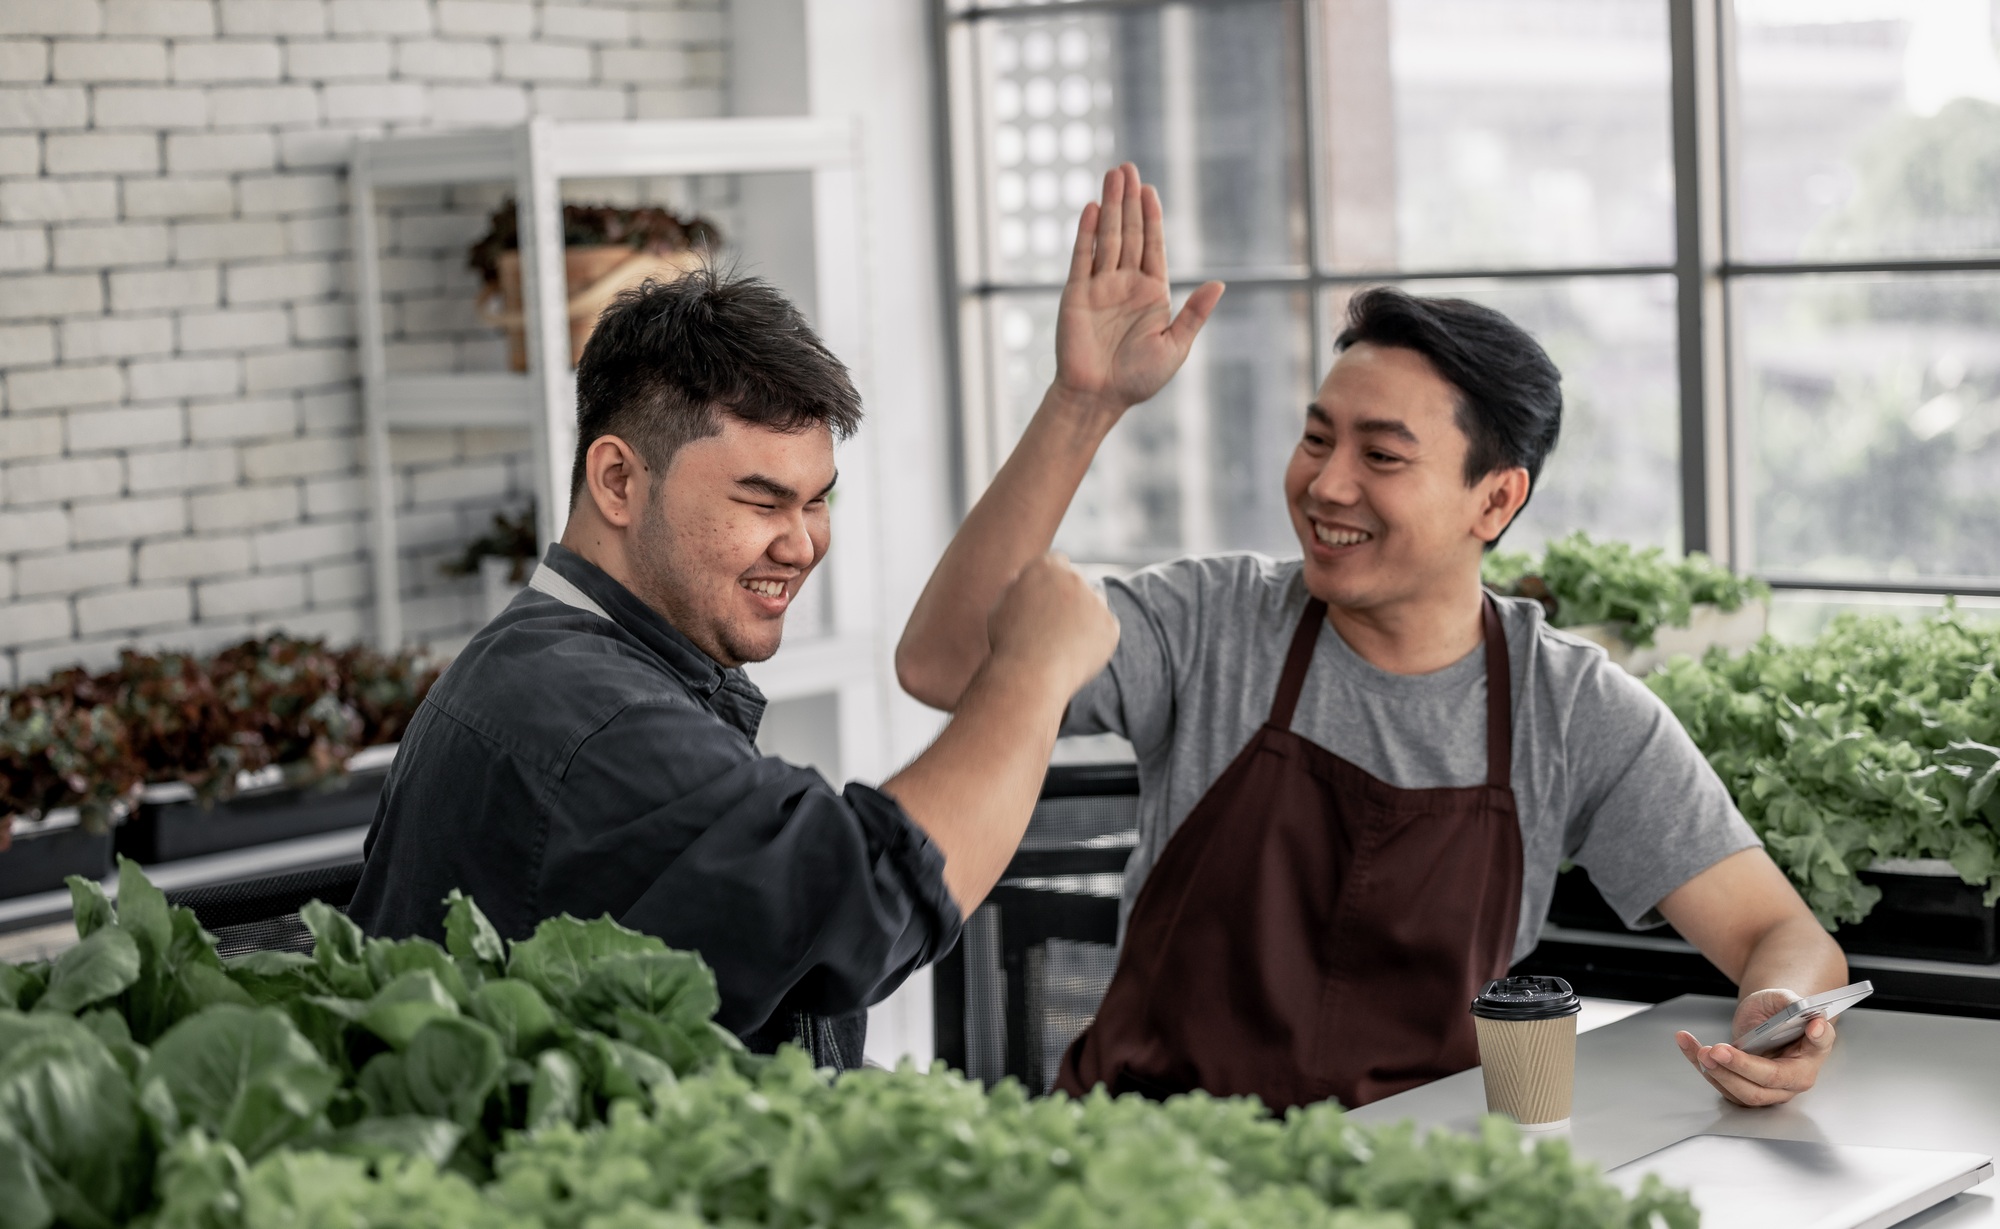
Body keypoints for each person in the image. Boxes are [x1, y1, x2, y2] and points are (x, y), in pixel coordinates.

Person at [896, 164, 1848, 1111]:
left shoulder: (1571, 710)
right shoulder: (1210, 624)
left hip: (1409, 1180)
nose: (1326, 485)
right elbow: (942, 662)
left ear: (1497, 496)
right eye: (1317, 438)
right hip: (1150, 1171)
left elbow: (1781, 931)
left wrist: (1783, 1007)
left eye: (1381, 456)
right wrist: (1083, 402)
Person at [348, 269, 1118, 1069]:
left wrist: (1084, 401)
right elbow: (864, 907)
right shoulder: (585, 716)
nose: (802, 544)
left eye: (817, 501)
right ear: (619, 481)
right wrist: (1032, 672)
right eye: (762, 502)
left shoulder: (557, 662)